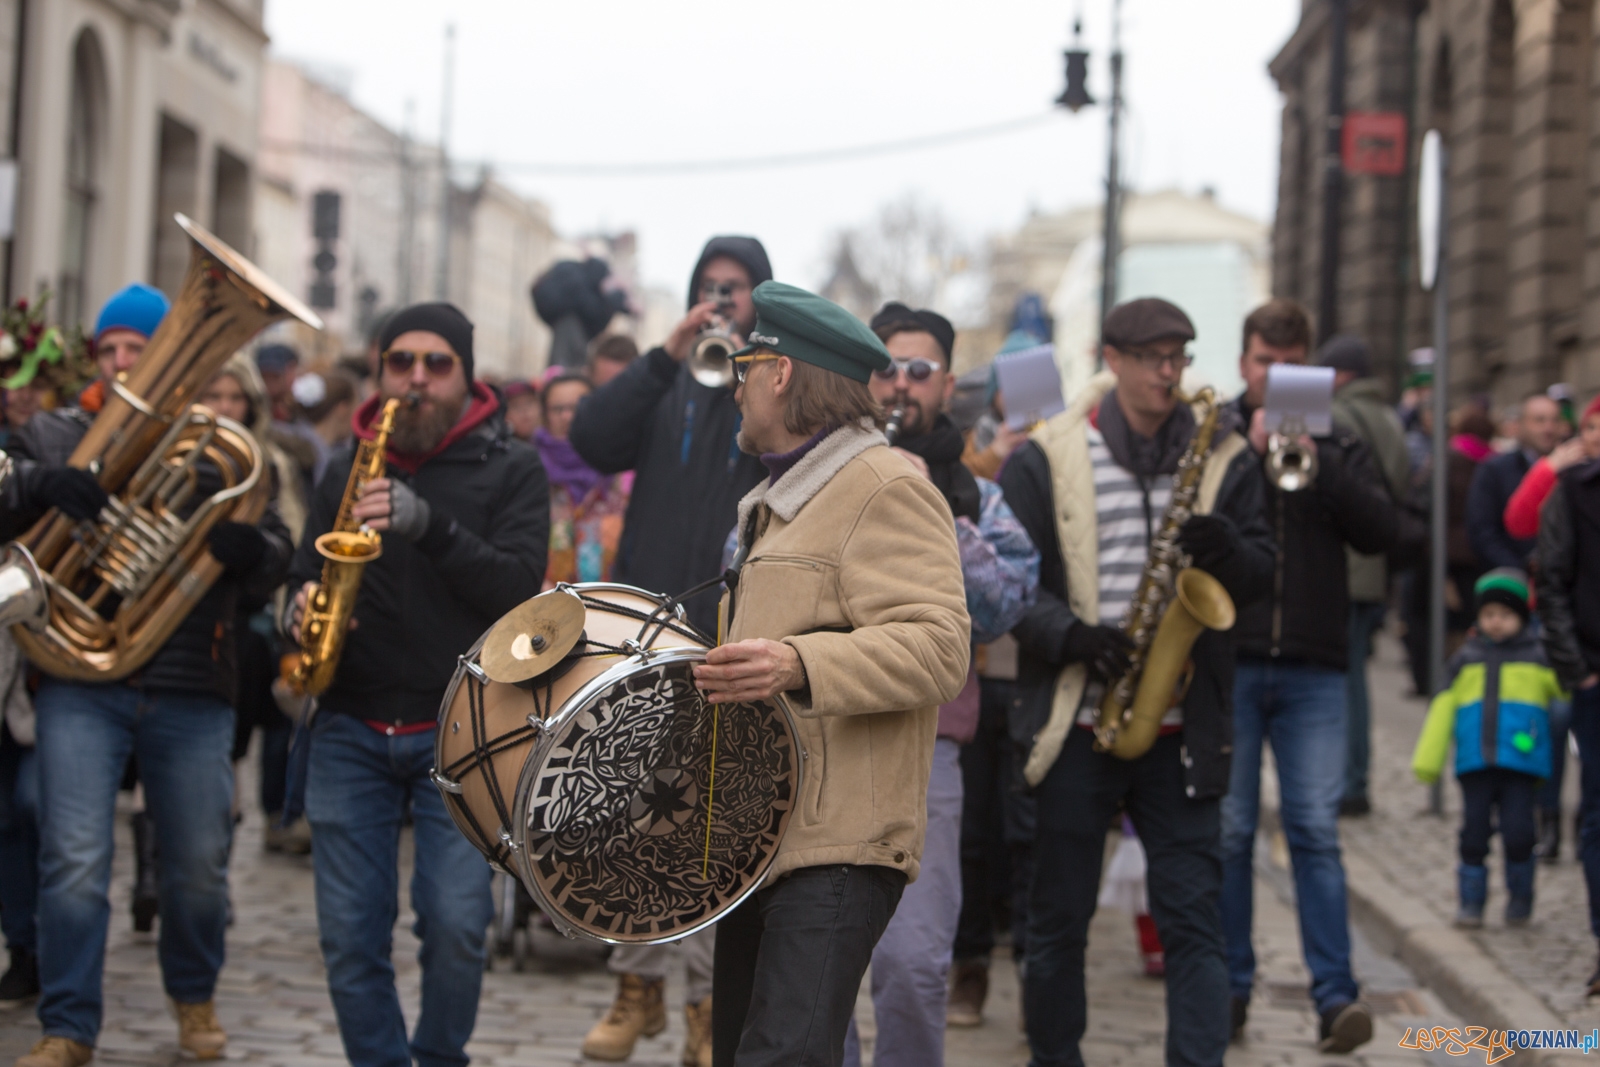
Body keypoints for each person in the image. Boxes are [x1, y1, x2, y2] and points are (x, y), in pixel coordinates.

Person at [5, 284, 295, 1067]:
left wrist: (254, 556)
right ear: (95, 359)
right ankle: (68, 1025)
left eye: (143, 347)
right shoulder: (55, 433)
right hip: (81, 678)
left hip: (191, 683)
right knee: (73, 859)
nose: (128, 361)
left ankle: (193, 993)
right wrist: (41, 486)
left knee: (199, 863)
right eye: (113, 350)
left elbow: (278, 552)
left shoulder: (220, 443)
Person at [692, 280, 969, 1066]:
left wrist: (798, 661)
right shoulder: (779, 495)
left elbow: (941, 645)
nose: (736, 388)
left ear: (779, 373)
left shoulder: (887, 486)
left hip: (840, 840)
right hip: (760, 835)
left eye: (745, 368)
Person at [999, 297, 1274, 1067]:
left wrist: (1230, 553)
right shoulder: (1047, 456)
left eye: (1179, 356)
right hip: (1078, 725)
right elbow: (1011, 588)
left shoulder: (1223, 456)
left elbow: (1261, 573)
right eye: (1152, 357)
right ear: (1111, 359)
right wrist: (1074, 636)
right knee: (1058, 922)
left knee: (1194, 922)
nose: (1169, 372)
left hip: (1185, 732)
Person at [284, 302, 547, 1067]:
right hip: (349, 724)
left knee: (459, 924)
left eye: (437, 364)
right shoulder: (345, 462)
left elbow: (517, 590)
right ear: (380, 369)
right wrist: (303, 602)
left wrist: (428, 524)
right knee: (348, 933)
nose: (417, 379)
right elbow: (306, 566)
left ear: (467, 377)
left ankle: (438, 1056)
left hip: (462, 731)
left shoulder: (513, 466)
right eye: (401, 362)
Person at [570, 237, 772, 1065]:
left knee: (710, 830)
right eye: (707, 287)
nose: (720, 300)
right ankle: (636, 987)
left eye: (735, 289)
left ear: (761, 301)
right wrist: (666, 351)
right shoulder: (663, 382)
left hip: (728, 631)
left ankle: (703, 1004)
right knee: (630, 818)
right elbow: (591, 436)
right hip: (642, 632)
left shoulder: (766, 385)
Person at [837, 302, 1038, 1067]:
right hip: (823, 740)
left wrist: (940, 515)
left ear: (947, 384)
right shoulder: (819, 466)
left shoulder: (974, 493)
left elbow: (1009, 603)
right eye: (886, 367)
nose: (900, 386)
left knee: (914, 966)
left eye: (919, 371)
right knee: (821, 973)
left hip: (928, 751)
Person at [1221, 299, 1398, 1053]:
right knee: (1227, 833)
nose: (1276, 376)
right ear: (1245, 364)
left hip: (1315, 668)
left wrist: (1318, 460)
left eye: (1293, 366)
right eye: (1266, 363)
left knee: (1315, 832)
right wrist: (1243, 455)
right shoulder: (1219, 433)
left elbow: (1388, 532)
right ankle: (1226, 986)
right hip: (1232, 661)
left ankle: (1335, 997)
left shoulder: (1340, 437)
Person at [198, 355, 309, 852]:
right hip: (177, 621)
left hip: (244, 621)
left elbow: (289, 542)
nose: (224, 407)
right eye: (214, 396)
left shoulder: (270, 462)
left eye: (234, 397)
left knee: (231, 744)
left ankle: (224, 835)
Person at [1413, 569, 1562, 927]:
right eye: (1489, 615)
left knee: (1519, 832)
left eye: (1505, 616)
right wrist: (1427, 760)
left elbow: (1564, 693)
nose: (1496, 623)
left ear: (1522, 618)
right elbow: (1442, 709)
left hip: (1521, 765)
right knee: (1473, 834)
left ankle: (1520, 895)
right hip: (1475, 762)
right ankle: (1471, 900)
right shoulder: (1465, 660)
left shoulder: (1538, 658)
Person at [1319, 335, 1410, 818]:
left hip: (1346, 564)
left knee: (1342, 679)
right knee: (1357, 675)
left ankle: (1349, 781)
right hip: (1373, 568)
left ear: (1340, 377)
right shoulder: (1391, 418)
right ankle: (1357, 774)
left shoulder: (1340, 416)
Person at [535, 373, 631, 587]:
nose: (567, 417)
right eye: (557, 409)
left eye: (576, 408)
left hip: (614, 607)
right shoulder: (529, 475)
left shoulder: (622, 474)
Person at [1467, 393, 1564, 572]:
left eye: (1554, 420)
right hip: (1513, 579)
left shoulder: (1571, 470)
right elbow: (1483, 531)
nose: (1548, 428)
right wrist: (1519, 569)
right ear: (1520, 425)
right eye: (1539, 420)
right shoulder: (1495, 469)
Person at [0, 632, 37, 1009]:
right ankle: (22, 947)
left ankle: (50, 942)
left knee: (34, 803)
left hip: (43, 692)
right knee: (5, 826)